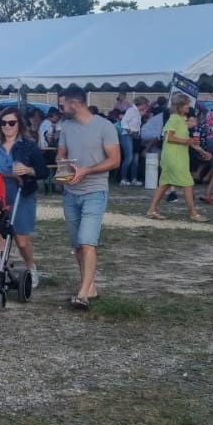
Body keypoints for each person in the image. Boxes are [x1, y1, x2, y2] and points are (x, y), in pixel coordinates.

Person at [56, 85, 120, 311]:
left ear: (74, 104)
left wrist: (86, 170)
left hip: (95, 190)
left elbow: (115, 160)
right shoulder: (66, 127)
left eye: (62, 104)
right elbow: (60, 155)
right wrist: (64, 169)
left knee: (87, 242)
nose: (60, 109)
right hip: (71, 192)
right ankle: (89, 286)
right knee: (77, 245)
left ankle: (82, 294)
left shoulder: (104, 126)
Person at [0, 107, 46, 286]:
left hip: (22, 194)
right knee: (1, 236)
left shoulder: (29, 145)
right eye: (3, 123)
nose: (7, 126)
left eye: (11, 122)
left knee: (21, 241)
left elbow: (43, 171)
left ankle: (30, 267)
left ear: (19, 124)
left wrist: (29, 170)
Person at [146, 94, 211, 222]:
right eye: (186, 104)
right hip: (174, 157)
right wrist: (188, 141)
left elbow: (187, 140)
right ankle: (193, 213)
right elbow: (168, 137)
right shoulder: (174, 119)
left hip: (174, 157)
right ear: (180, 105)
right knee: (188, 183)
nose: (189, 106)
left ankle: (152, 210)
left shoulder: (181, 120)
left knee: (165, 184)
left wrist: (202, 151)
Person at [118, 99, 144, 185]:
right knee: (129, 158)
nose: (146, 107)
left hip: (135, 136)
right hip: (128, 135)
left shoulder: (138, 112)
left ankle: (134, 179)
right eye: (145, 105)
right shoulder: (131, 110)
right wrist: (129, 131)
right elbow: (124, 122)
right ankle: (123, 179)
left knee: (135, 159)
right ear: (142, 104)